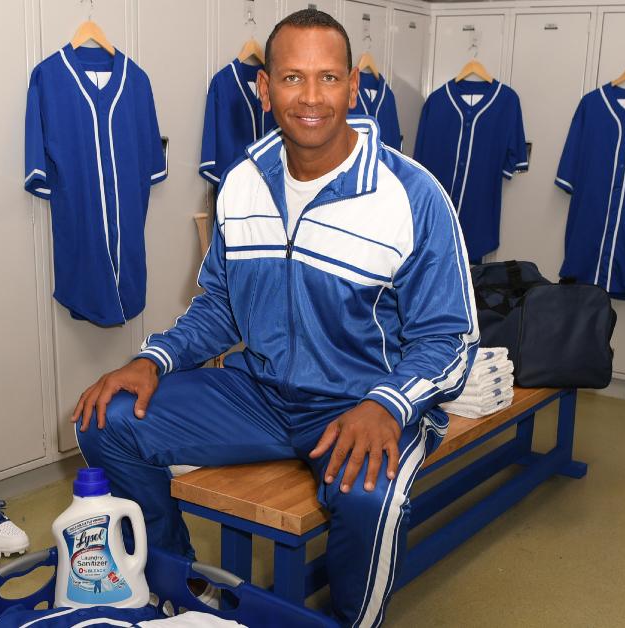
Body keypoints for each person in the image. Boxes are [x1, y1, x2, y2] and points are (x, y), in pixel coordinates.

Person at [72, 9, 477, 627]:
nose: (311, 97)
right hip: (258, 393)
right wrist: (153, 359)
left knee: (372, 500)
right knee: (109, 420)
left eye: (328, 78)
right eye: (292, 78)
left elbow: (449, 337)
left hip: (360, 401)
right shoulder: (241, 183)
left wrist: (388, 405)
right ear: (265, 89)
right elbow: (220, 306)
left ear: (353, 86)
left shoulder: (411, 194)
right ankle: (180, 588)